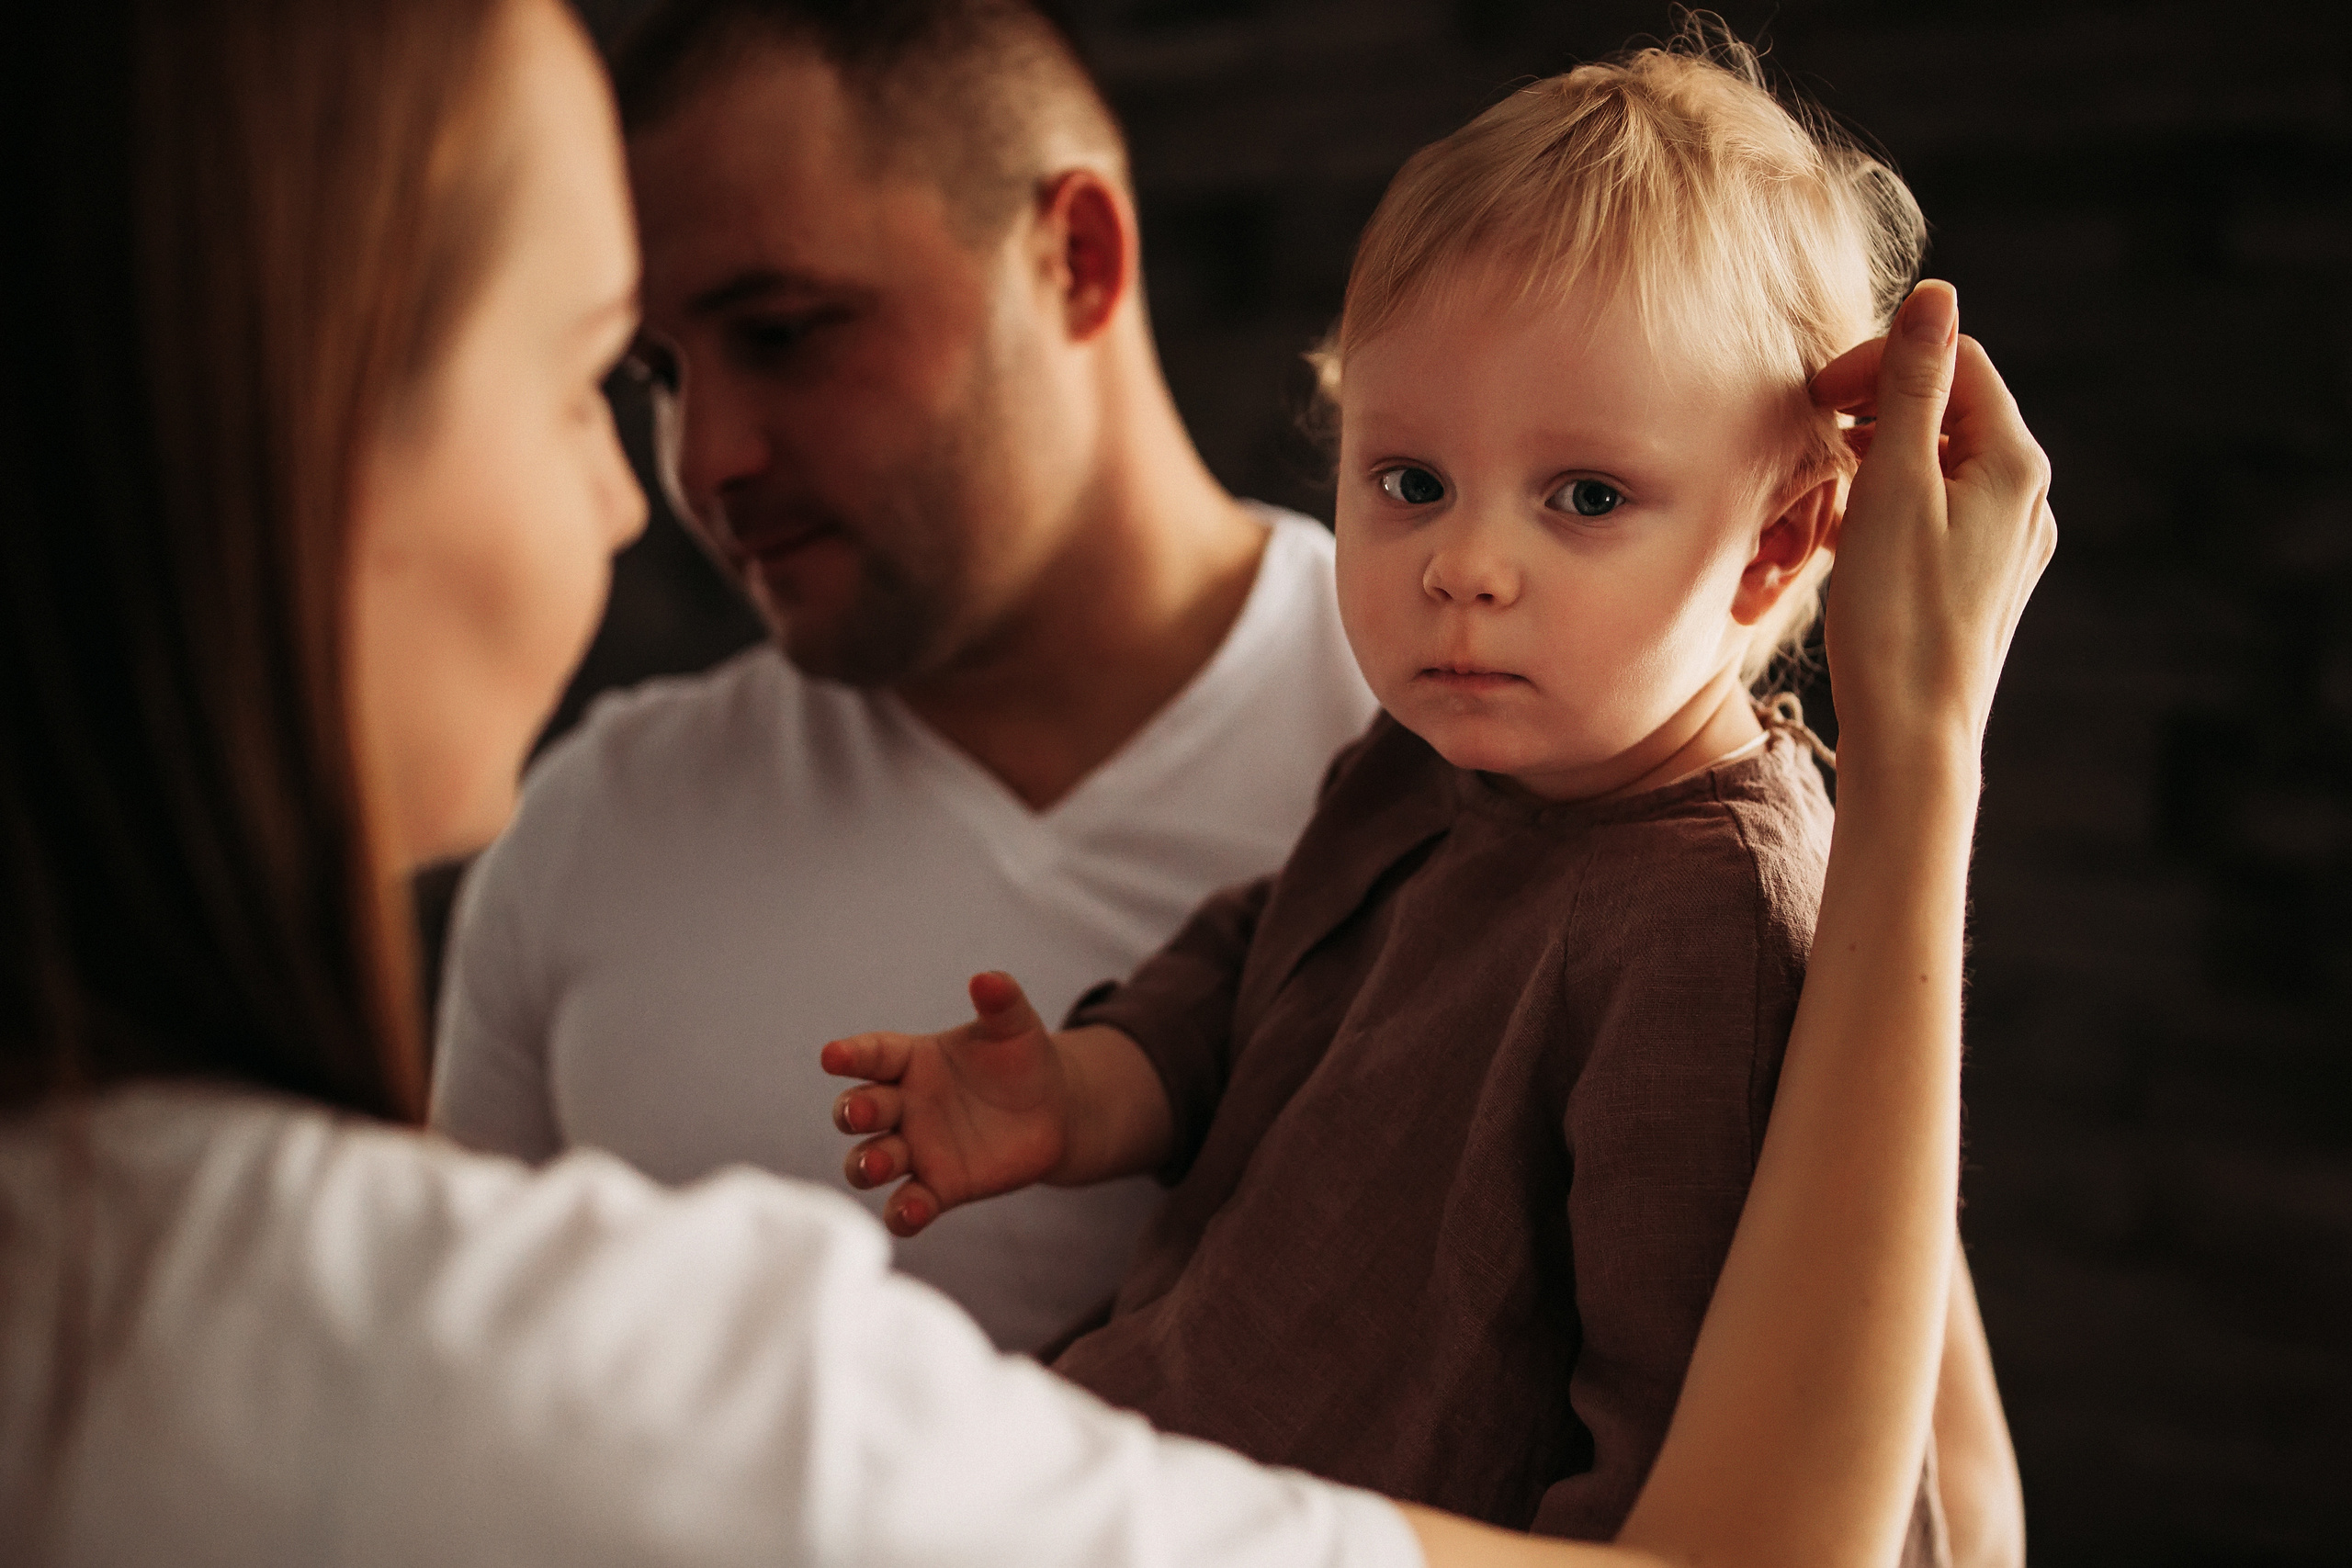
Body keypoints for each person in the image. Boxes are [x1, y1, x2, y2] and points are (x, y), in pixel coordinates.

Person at [0, 0, 2056, 1562]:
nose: (679, 478)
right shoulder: (580, 926)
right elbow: (1260, 958)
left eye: (787, 329)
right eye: (608, 377)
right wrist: (1097, 1080)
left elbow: (1889, 1485)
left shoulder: (1664, 853)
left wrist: (1901, 777)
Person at [821, 32, 2015, 1564]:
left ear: (1779, 542)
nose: (1464, 565)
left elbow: (1673, 1455)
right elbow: (1268, 964)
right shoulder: (1436, 756)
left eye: (1586, 497)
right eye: (1412, 483)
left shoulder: (1711, 925)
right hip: (1144, 1458)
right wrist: (1088, 1092)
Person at [425, 0, 1378, 1355]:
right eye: (655, 374)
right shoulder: (583, 842)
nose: (703, 461)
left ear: (1076, 258)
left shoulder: (1469, 751)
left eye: (784, 333)